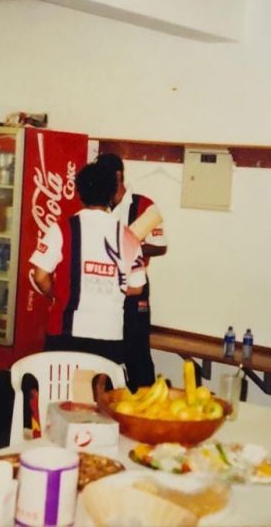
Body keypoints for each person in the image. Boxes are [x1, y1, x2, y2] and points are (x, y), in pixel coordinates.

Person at [30, 162, 146, 366]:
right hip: (109, 335)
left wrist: (57, 294)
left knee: (61, 395)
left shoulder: (63, 229)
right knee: (98, 396)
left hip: (66, 332)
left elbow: (39, 276)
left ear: (79, 192)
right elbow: (137, 287)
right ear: (112, 194)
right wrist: (109, 287)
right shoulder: (128, 236)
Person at [95, 153, 167, 391]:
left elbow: (160, 246)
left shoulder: (144, 205)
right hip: (104, 288)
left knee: (137, 355)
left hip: (135, 290)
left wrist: (127, 246)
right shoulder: (98, 206)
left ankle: (145, 408)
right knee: (105, 354)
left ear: (118, 176)